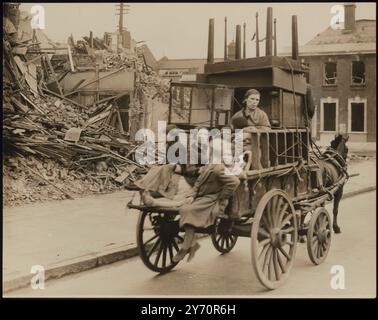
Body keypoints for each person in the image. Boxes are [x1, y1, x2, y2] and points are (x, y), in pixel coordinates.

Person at [172, 161, 240, 263]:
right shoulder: (207, 167)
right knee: (184, 208)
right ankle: (193, 244)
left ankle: (185, 247)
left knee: (189, 210)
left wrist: (222, 197)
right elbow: (197, 183)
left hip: (212, 200)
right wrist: (191, 195)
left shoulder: (219, 168)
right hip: (203, 198)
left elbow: (235, 182)